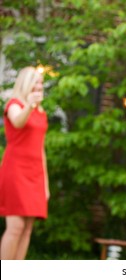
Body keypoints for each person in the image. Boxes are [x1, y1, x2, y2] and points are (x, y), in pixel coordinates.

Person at [0, 66, 49, 260]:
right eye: (35, 82)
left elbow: (41, 148)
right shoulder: (14, 104)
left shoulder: (41, 111)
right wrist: (29, 106)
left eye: (41, 83)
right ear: (25, 83)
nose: (39, 86)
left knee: (28, 228)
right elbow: (18, 122)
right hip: (16, 170)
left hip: (35, 173)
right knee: (16, 227)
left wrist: (45, 183)